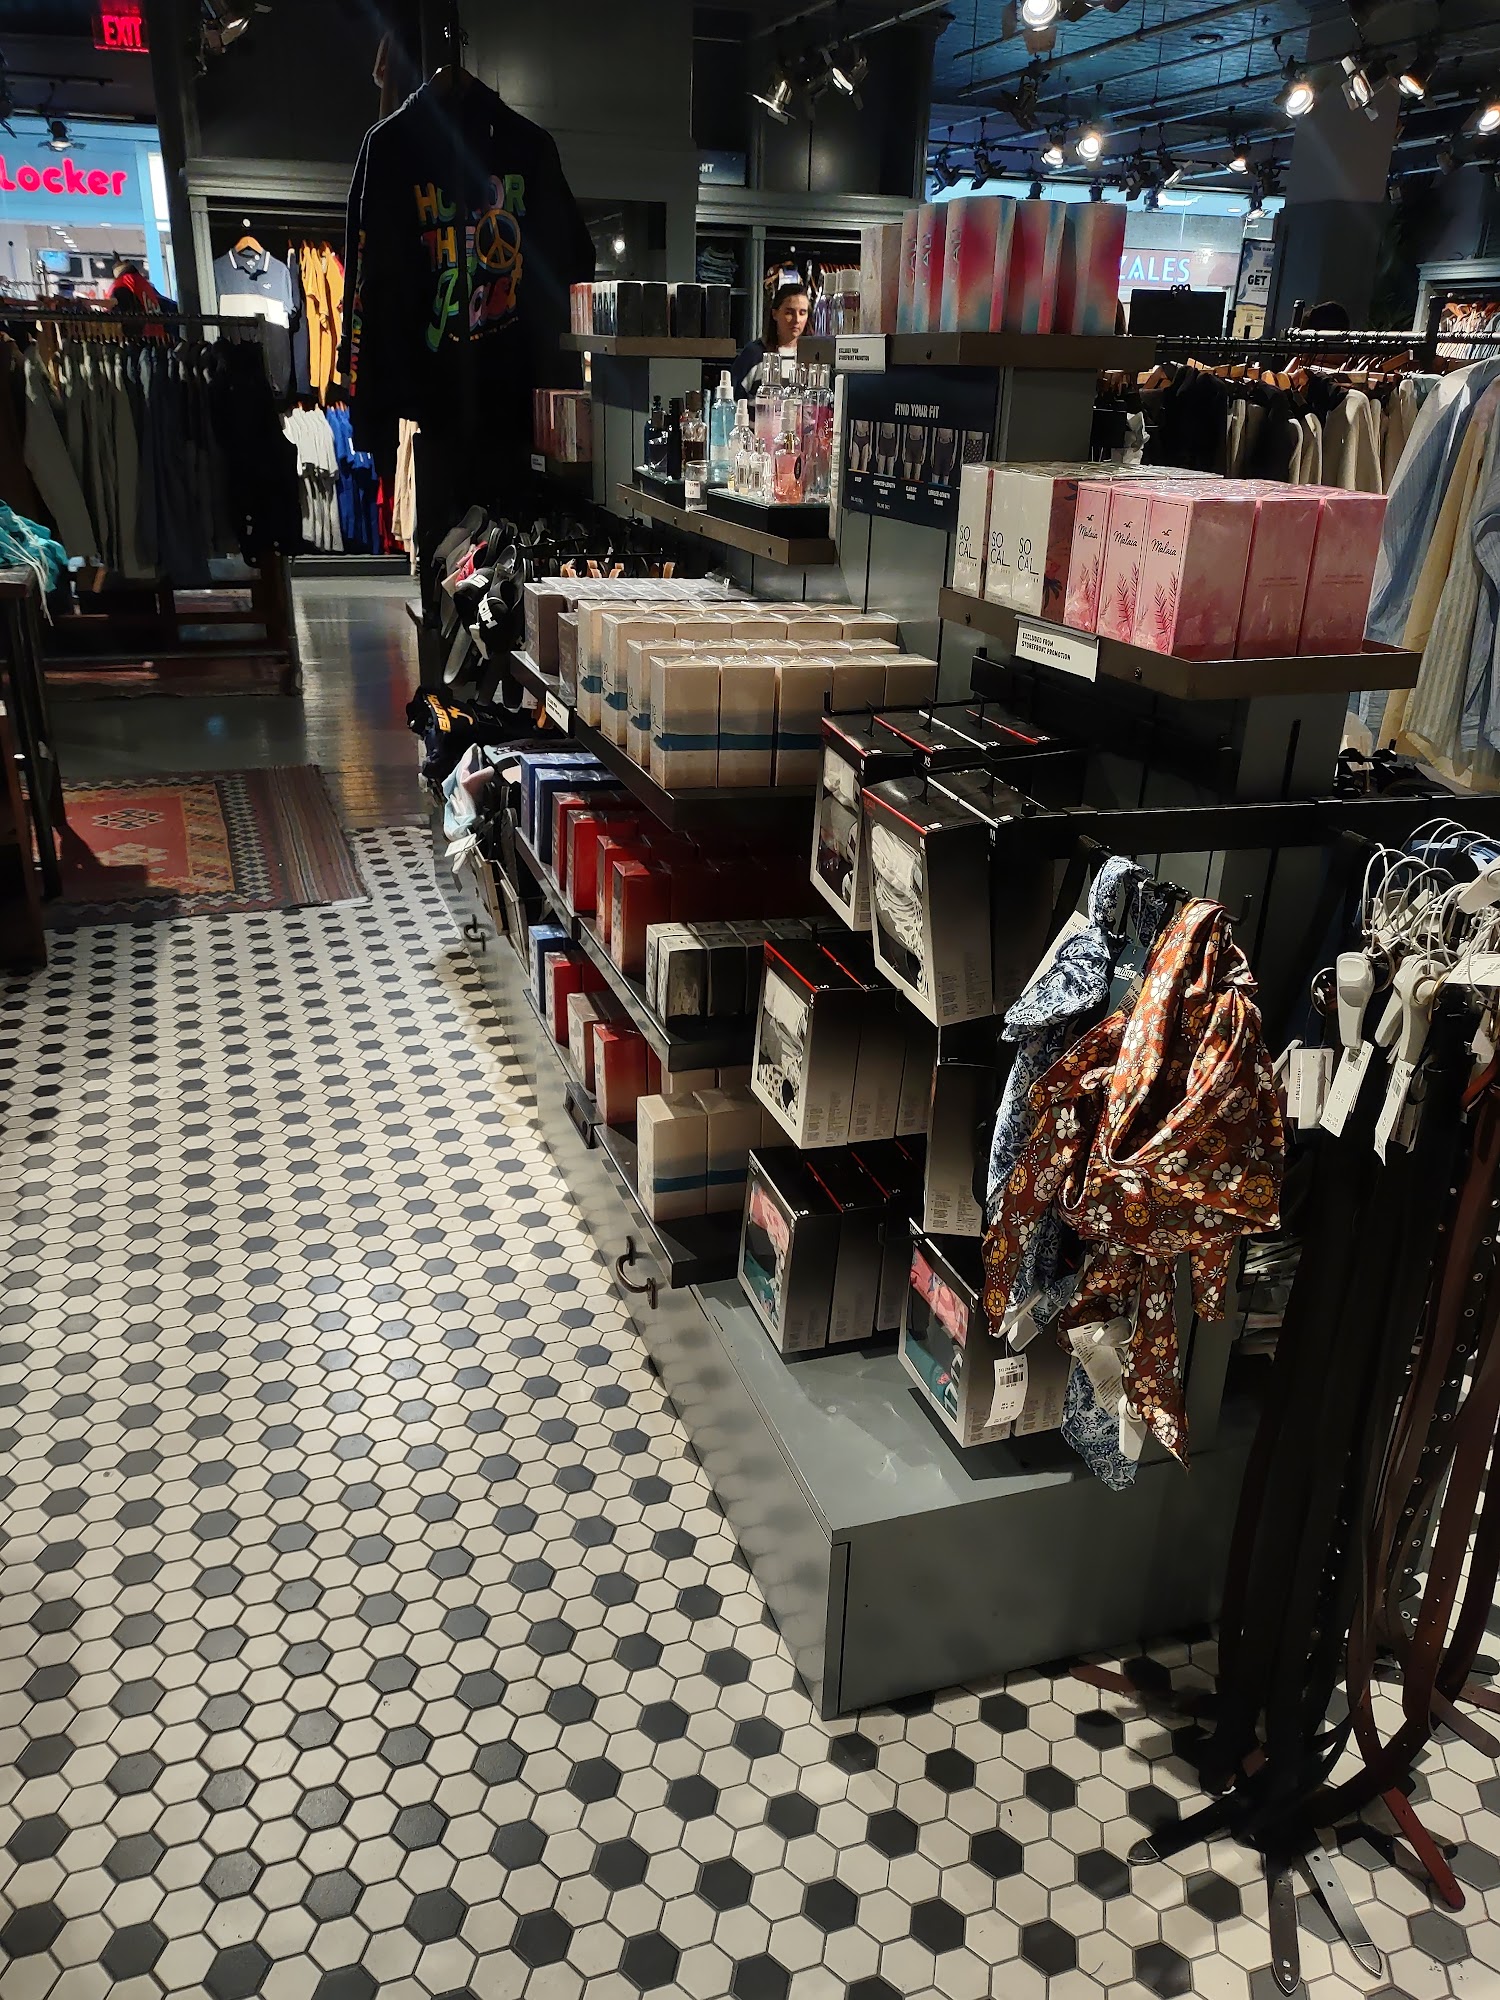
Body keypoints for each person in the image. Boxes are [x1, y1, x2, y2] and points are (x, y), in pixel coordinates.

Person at [730, 281, 810, 400]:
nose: (797, 319)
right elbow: (731, 401)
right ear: (775, 314)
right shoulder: (754, 355)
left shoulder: (812, 358)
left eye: (802, 313)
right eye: (789, 313)